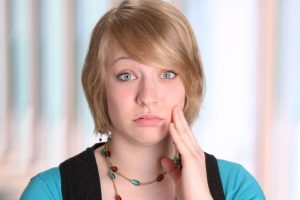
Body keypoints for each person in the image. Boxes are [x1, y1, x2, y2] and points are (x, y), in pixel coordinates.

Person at [21, 0, 265, 199]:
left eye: (167, 74)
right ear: (100, 86)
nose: (148, 96)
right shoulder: (50, 192)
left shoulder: (237, 188)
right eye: (126, 76)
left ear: (189, 85)